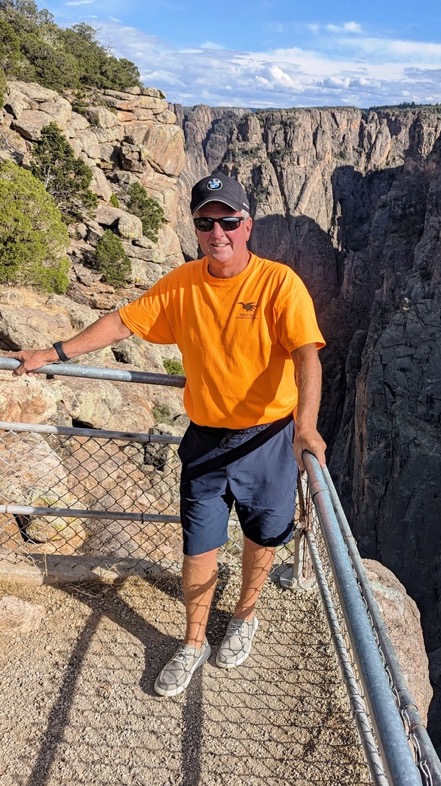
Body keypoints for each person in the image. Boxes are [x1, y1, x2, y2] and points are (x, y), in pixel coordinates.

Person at [12, 173, 326, 697]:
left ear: (247, 225)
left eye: (227, 220)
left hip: (268, 438)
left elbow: (306, 356)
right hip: (205, 440)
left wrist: (306, 426)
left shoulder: (279, 283)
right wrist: (53, 352)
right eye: (205, 222)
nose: (217, 232)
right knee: (199, 546)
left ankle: (245, 617)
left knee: (261, 538)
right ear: (197, 228)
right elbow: (122, 323)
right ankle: (193, 640)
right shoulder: (182, 284)